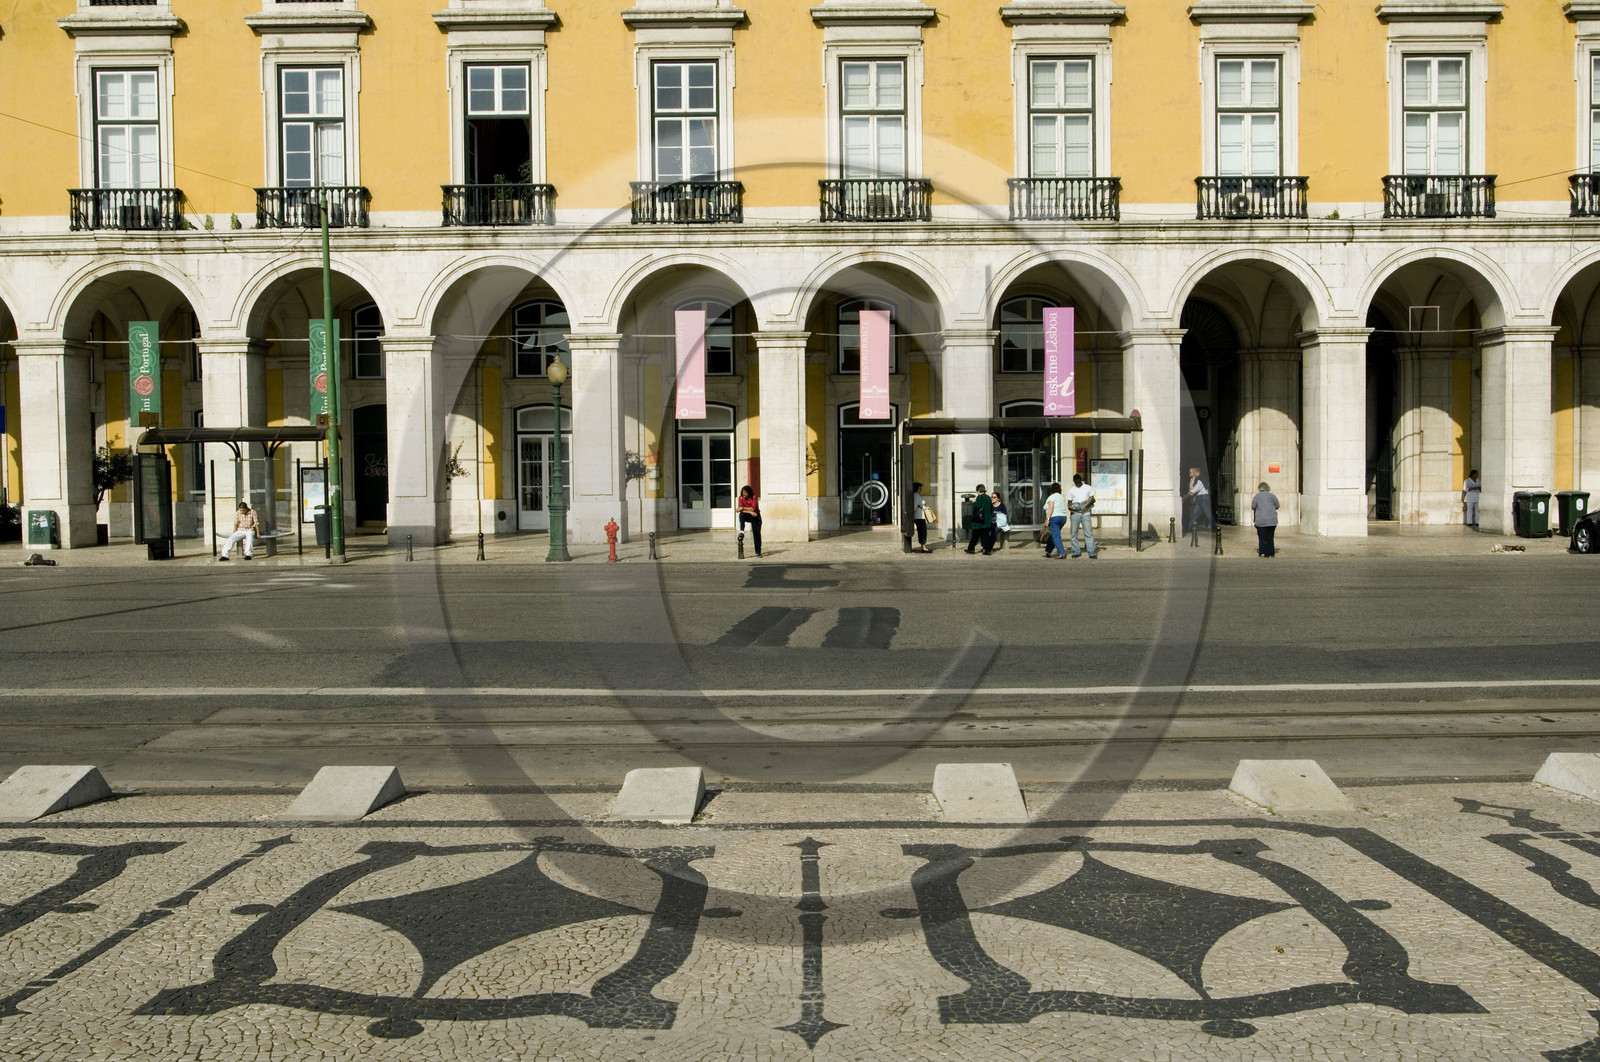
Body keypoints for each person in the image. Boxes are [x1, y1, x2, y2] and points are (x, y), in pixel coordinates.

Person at [1066, 473, 1098, 558]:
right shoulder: (1071, 490)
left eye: (1079, 482)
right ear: (1074, 482)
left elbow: (1093, 499)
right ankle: (1075, 551)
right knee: (1073, 533)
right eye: (1076, 482)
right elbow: (1069, 504)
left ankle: (1092, 552)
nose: (1078, 483)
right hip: (1075, 513)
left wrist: (1086, 504)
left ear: (1081, 480)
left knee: (1088, 533)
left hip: (1086, 512)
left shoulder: (1088, 487)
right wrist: (1074, 507)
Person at [1252, 481, 1279, 557]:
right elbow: (1277, 505)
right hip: (1272, 521)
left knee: (1262, 537)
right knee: (1270, 537)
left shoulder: (1257, 496)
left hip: (1261, 521)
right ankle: (1270, 553)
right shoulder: (1272, 496)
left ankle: (1262, 552)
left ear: (1260, 488)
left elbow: (1253, 506)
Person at [965, 484, 995, 555]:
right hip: (986, 521)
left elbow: (977, 506)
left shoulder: (979, 497)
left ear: (978, 490)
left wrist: (973, 502)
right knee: (985, 536)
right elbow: (991, 508)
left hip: (979, 522)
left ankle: (971, 549)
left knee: (975, 536)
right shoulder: (988, 497)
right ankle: (987, 550)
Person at [1042, 481, 1067, 559]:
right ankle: (1048, 550)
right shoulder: (1061, 497)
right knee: (1054, 534)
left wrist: (1047, 519)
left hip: (1054, 518)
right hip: (1063, 517)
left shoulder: (1051, 497)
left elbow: (1051, 508)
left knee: (1056, 535)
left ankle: (1062, 553)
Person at [737, 485, 762, 557]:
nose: (744, 494)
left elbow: (753, 508)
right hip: (748, 515)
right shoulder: (741, 498)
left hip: (755, 516)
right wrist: (750, 512)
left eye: (745, 492)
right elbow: (738, 509)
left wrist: (743, 508)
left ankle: (758, 551)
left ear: (749, 493)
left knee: (756, 534)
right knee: (741, 515)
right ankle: (742, 531)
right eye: (743, 492)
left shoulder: (754, 497)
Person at [1188, 467, 1213, 533]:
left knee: (1207, 514)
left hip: (1203, 498)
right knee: (1195, 514)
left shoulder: (1200, 480)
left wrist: (1189, 493)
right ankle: (1189, 528)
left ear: (1196, 472)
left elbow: (1195, 489)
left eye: (1194, 473)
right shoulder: (1201, 478)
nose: (1194, 474)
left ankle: (1214, 527)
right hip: (1201, 498)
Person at [911, 481, 932, 553]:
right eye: (920, 488)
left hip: (919, 516)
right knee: (922, 532)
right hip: (919, 517)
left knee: (922, 531)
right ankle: (924, 547)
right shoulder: (916, 496)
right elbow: (914, 507)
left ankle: (923, 546)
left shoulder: (916, 495)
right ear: (918, 488)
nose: (921, 489)